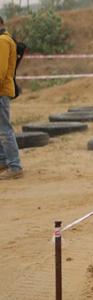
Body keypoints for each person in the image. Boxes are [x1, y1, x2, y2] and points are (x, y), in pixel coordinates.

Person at [0, 16, 21, 180]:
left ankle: (14, 166)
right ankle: (3, 161)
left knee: (5, 130)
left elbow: (0, 70)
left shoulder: (3, 41)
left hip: (1, 91)